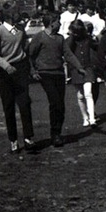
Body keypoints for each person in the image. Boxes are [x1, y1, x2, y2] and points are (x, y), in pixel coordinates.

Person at [29, 14, 83, 147]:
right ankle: (55, 135)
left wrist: (79, 67)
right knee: (55, 102)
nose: (60, 24)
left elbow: (68, 54)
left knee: (61, 105)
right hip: (45, 74)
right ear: (52, 23)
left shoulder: (60, 38)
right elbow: (30, 55)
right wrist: (33, 71)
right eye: (58, 22)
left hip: (59, 73)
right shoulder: (39, 37)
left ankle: (57, 133)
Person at [0, 9, 35, 153]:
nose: (19, 15)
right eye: (16, 13)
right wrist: (5, 65)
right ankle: (13, 140)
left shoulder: (20, 30)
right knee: (8, 106)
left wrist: (30, 67)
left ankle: (28, 138)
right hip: (4, 71)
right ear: (8, 15)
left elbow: (25, 48)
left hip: (20, 69)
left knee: (25, 103)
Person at [66, 20, 100, 127]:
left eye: (79, 31)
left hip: (88, 68)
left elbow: (96, 46)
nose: (77, 34)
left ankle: (92, 118)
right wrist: (71, 36)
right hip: (75, 69)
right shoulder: (69, 41)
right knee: (80, 95)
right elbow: (67, 50)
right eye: (75, 32)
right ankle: (85, 117)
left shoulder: (87, 39)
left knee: (88, 93)